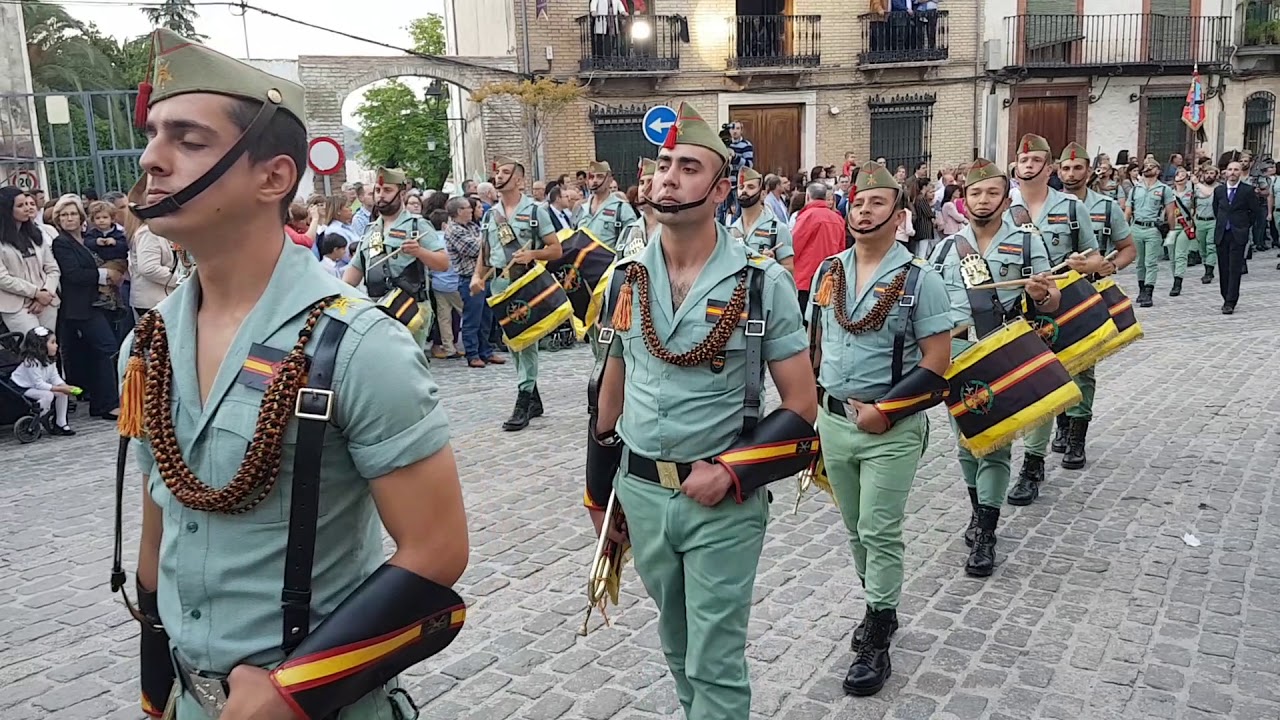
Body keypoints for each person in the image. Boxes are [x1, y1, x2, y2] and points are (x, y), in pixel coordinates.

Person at [115, 28, 469, 720]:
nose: (151, 159)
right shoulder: (147, 344)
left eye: (188, 140)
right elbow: (159, 539)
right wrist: (157, 695)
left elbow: (437, 548)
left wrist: (291, 691)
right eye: (155, 135)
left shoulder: (361, 346)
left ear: (274, 178)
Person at [586, 101, 817, 720]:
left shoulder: (762, 283)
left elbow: (802, 404)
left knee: (714, 660)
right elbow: (609, 390)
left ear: (720, 189)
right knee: (676, 642)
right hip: (641, 492)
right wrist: (599, 492)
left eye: (688, 167)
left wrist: (734, 471)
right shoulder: (623, 278)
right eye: (663, 164)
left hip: (722, 497)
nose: (668, 177)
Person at [807, 163, 954, 696]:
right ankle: (878, 603)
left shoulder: (920, 280)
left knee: (879, 528)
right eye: (858, 201)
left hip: (889, 426)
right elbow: (813, 345)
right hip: (833, 421)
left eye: (876, 203)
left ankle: (879, 630)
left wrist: (887, 410)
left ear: (900, 215)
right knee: (854, 528)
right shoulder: (829, 272)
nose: (864, 210)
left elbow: (938, 359)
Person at [931, 159, 1060, 577]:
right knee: (966, 442)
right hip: (957, 357)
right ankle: (976, 511)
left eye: (991, 193)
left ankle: (987, 532)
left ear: (1006, 200)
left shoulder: (1026, 243)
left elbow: (1052, 299)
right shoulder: (945, 249)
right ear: (962, 200)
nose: (982, 200)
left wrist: (1042, 295)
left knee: (996, 445)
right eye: (974, 193)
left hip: (1002, 354)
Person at [1004, 136, 1103, 503]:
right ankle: (1032, 458)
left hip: (1060, 307)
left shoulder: (1070, 207)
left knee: (1061, 379)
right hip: (1017, 310)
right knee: (1032, 385)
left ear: (1049, 168)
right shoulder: (1004, 207)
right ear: (1016, 166)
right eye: (1023, 158)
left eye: (1036, 159)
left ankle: (1034, 462)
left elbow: (1096, 259)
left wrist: (1084, 264)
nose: (1028, 164)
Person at [1045, 142, 1138, 471]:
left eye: (1077, 168)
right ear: (1057, 170)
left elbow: (1127, 248)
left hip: (1088, 295)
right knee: (1052, 364)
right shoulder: (1046, 205)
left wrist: (1109, 267)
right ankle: (1062, 424)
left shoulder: (1106, 206)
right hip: (1051, 299)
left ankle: (1077, 436)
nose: (1071, 174)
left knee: (1083, 366)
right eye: (1066, 169)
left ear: (1089, 170)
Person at [470, 155, 562, 431]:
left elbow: (555, 249)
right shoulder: (489, 215)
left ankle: (523, 399)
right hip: (499, 284)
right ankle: (533, 398)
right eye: (497, 173)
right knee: (513, 342)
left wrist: (533, 253)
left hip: (526, 284)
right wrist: (477, 276)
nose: (499, 177)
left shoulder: (535, 212)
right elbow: (484, 253)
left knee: (527, 341)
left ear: (519, 179)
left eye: (506, 172)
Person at [343, 167, 451, 348]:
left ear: (401, 194)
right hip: (378, 308)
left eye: (387, 190)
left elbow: (443, 263)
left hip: (410, 308)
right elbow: (356, 270)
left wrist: (419, 252)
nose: (380, 196)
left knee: (408, 369)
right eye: (377, 191)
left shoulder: (417, 225)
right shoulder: (371, 230)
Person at [49, 194, 121, 421]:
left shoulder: (85, 239)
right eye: (64, 215)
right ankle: (107, 403)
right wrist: (103, 276)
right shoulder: (61, 243)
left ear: (81, 217)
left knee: (95, 351)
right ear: (58, 219)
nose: (69, 218)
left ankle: (100, 402)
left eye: (73, 214)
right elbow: (73, 274)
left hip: (95, 303)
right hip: (79, 307)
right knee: (107, 347)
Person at [0, 188, 61, 334]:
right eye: (20, 206)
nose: (27, 208)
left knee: (48, 348)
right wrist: (35, 293)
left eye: (28, 204)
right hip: (17, 306)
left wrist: (45, 293)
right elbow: (2, 278)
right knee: (31, 350)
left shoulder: (36, 234)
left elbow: (52, 268)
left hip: (46, 302)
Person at [1213, 160, 1262, 314]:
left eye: (1236, 169)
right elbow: (1217, 209)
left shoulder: (1247, 191)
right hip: (1222, 233)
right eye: (1230, 169)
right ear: (1225, 172)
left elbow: (1254, 212)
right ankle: (1225, 294)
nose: (1232, 172)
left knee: (1234, 267)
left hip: (1238, 233)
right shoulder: (1219, 191)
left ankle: (1231, 300)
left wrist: (1244, 225)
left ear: (1240, 172)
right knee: (1223, 267)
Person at [1125, 158, 1175, 307]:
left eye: (1151, 166)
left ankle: (1148, 292)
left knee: (1151, 262)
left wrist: (1172, 231)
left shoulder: (1164, 189)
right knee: (1139, 262)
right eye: (1145, 166)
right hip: (1136, 227)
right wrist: (1124, 229)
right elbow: (1128, 211)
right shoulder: (1135, 189)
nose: (1147, 168)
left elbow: (1170, 212)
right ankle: (1141, 289)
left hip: (1153, 228)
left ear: (1158, 171)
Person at [10, 326, 77, 436]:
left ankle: (61, 422)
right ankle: (37, 421)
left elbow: (54, 377)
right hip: (23, 387)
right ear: (41, 346)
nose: (56, 345)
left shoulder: (50, 359)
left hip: (36, 386)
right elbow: (39, 384)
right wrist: (61, 388)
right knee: (48, 395)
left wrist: (64, 386)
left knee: (62, 393)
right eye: (53, 342)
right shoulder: (31, 362)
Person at [728, 167, 795, 274]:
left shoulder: (777, 229)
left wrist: (771, 264)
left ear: (763, 194)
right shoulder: (729, 231)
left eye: (751, 187)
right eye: (741, 187)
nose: (744, 191)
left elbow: (790, 270)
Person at [792, 183, 847, 311]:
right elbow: (841, 249)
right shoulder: (837, 218)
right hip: (828, 277)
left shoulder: (807, 216)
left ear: (807, 196)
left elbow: (795, 246)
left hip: (805, 277)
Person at [575, 160, 638, 252]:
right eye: (592, 177)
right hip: (583, 263)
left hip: (610, 263)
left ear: (610, 180)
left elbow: (632, 242)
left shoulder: (622, 208)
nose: (595, 181)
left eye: (600, 176)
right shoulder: (581, 208)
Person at [617, 158, 657, 258]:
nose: (643, 188)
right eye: (641, 183)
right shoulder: (628, 231)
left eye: (650, 182)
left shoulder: (672, 230)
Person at [1167, 168, 1197, 297]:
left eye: (1183, 175)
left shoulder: (1192, 192)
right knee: (1172, 255)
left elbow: (1195, 208)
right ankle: (1175, 276)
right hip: (1172, 227)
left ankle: (1178, 282)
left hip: (1185, 225)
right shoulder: (1168, 193)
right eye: (1178, 175)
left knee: (1180, 254)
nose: (1180, 177)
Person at [1194, 165, 1220, 284]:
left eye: (1211, 173)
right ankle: (1206, 265)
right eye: (1207, 173)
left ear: (1216, 175)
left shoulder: (1220, 188)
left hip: (1213, 221)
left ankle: (1209, 271)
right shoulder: (1197, 189)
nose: (1209, 175)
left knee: (1211, 246)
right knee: (1202, 247)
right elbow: (1192, 205)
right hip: (1200, 221)